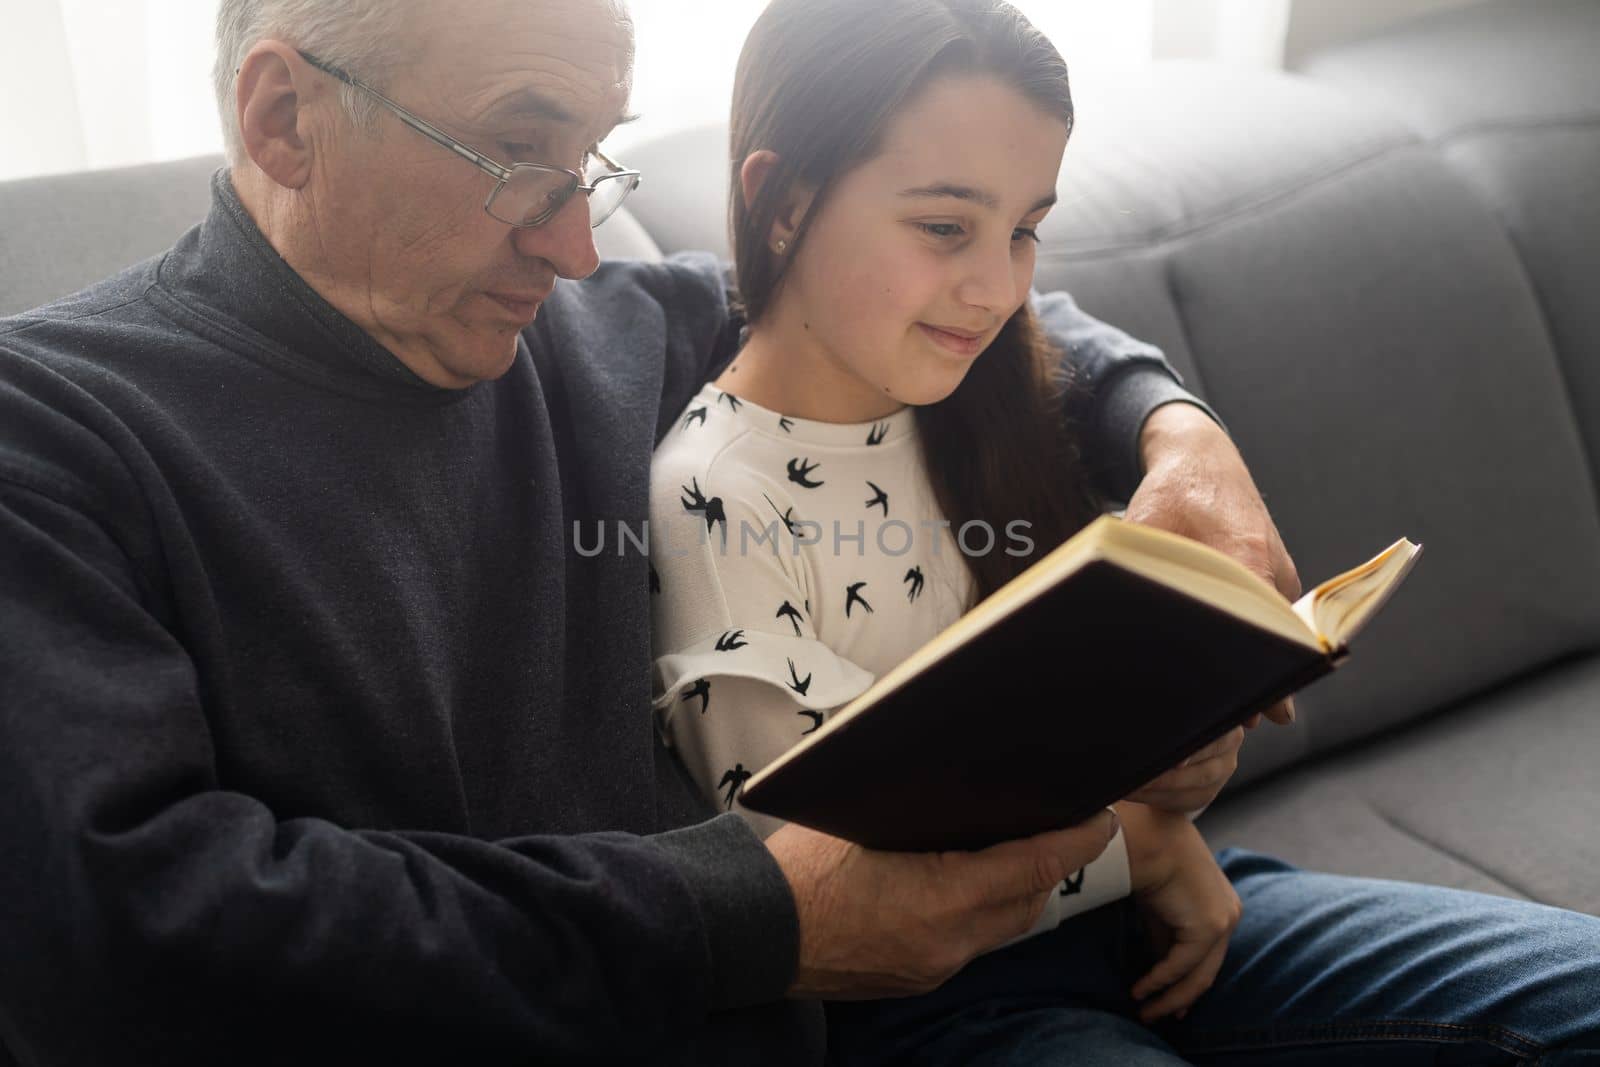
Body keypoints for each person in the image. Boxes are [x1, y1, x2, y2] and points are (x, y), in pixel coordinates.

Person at [0, 0, 1291, 1063]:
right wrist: (752, 912)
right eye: (519, 154)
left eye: (593, 161)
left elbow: (916, 292)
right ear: (286, 119)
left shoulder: (605, 323)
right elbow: (134, 926)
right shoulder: (48, 433)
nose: (574, 243)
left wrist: (1180, 433)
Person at [645, 2, 1600, 1065]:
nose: (999, 286)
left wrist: (1189, 745)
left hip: (1161, 896)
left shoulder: (984, 385)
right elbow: (826, 879)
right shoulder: (715, 490)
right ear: (779, 201)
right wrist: (1145, 845)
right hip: (945, 1003)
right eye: (945, 227)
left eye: (1023, 228)